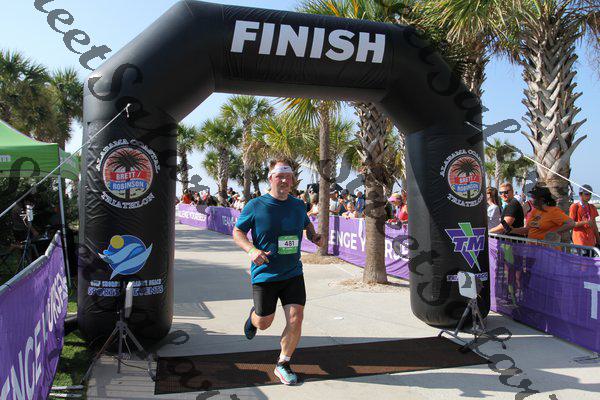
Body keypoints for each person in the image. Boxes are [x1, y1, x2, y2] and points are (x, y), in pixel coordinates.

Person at [232, 159, 324, 385]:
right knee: (264, 322)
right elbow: (237, 232)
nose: (284, 180)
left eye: (288, 176)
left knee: (296, 317)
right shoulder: (255, 205)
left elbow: (306, 224)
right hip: (265, 273)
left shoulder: (298, 205)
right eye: (279, 176)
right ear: (271, 178)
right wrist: (252, 250)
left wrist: (313, 236)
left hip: (293, 273)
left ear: (292, 180)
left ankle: (283, 363)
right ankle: (254, 318)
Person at [509, 185, 575, 241]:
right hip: (533, 249)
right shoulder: (535, 211)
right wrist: (512, 230)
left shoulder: (553, 211)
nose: (531, 199)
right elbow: (528, 230)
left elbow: (571, 223)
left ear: (541, 200)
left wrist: (555, 232)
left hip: (547, 250)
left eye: (534, 197)